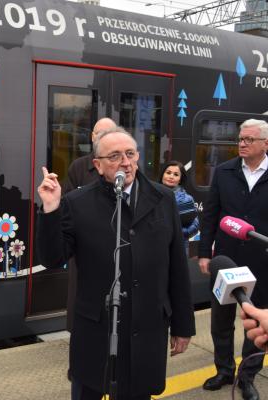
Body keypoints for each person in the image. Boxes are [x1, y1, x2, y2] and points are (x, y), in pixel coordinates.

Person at [37, 127, 195, 399]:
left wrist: (183, 326)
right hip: (96, 329)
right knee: (88, 390)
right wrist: (50, 210)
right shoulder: (77, 202)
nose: (125, 162)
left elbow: (177, 267)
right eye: (114, 156)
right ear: (97, 165)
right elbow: (53, 258)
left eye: (130, 154)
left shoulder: (163, 198)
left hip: (147, 328)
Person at [198, 119, 268, 400]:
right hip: (226, 261)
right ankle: (224, 370)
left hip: (262, 263)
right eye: (240, 138)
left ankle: (247, 377)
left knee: (256, 321)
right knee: (221, 320)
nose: (242, 143)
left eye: (249, 139)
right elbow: (210, 215)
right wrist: (205, 253)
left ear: (266, 143)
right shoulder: (224, 172)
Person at [63, 118, 117, 334]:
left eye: (108, 132)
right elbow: (67, 202)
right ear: (92, 137)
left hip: (113, 244)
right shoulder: (79, 166)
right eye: (98, 133)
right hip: (84, 245)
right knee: (80, 292)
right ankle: (79, 332)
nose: (101, 137)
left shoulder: (123, 167)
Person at [159, 161, 199, 255]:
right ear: (162, 175)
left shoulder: (187, 199)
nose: (171, 176)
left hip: (179, 247)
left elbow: (195, 226)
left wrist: (176, 233)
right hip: (156, 246)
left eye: (176, 174)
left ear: (180, 179)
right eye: (168, 173)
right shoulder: (151, 195)